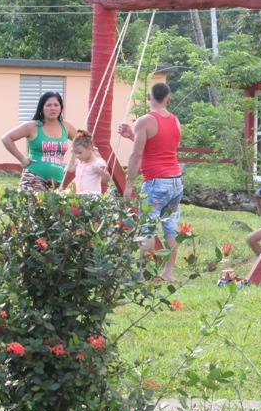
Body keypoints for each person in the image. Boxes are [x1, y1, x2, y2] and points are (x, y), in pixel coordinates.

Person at [118, 82, 183, 282]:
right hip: (176, 181)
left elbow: (137, 154)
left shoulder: (145, 121)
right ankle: (168, 272)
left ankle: (143, 274)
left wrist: (129, 183)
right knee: (170, 227)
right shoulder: (175, 121)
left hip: (156, 181)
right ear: (168, 100)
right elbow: (159, 148)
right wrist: (132, 136)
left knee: (147, 228)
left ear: (149, 97)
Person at [0, 91, 77, 192]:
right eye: (48, 105)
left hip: (57, 182)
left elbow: (84, 141)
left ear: (60, 108)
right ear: (42, 108)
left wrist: (74, 160)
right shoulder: (33, 126)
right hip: (33, 179)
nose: (53, 108)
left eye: (56, 105)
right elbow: (6, 138)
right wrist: (22, 159)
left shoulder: (66, 126)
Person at [68, 130, 110, 195]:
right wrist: (73, 155)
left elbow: (107, 178)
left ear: (89, 148)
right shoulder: (79, 161)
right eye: (76, 153)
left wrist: (100, 171)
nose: (77, 156)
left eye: (80, 153)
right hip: (79, 195)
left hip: (91, 196)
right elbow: (70, 169)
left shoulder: (98, 163)